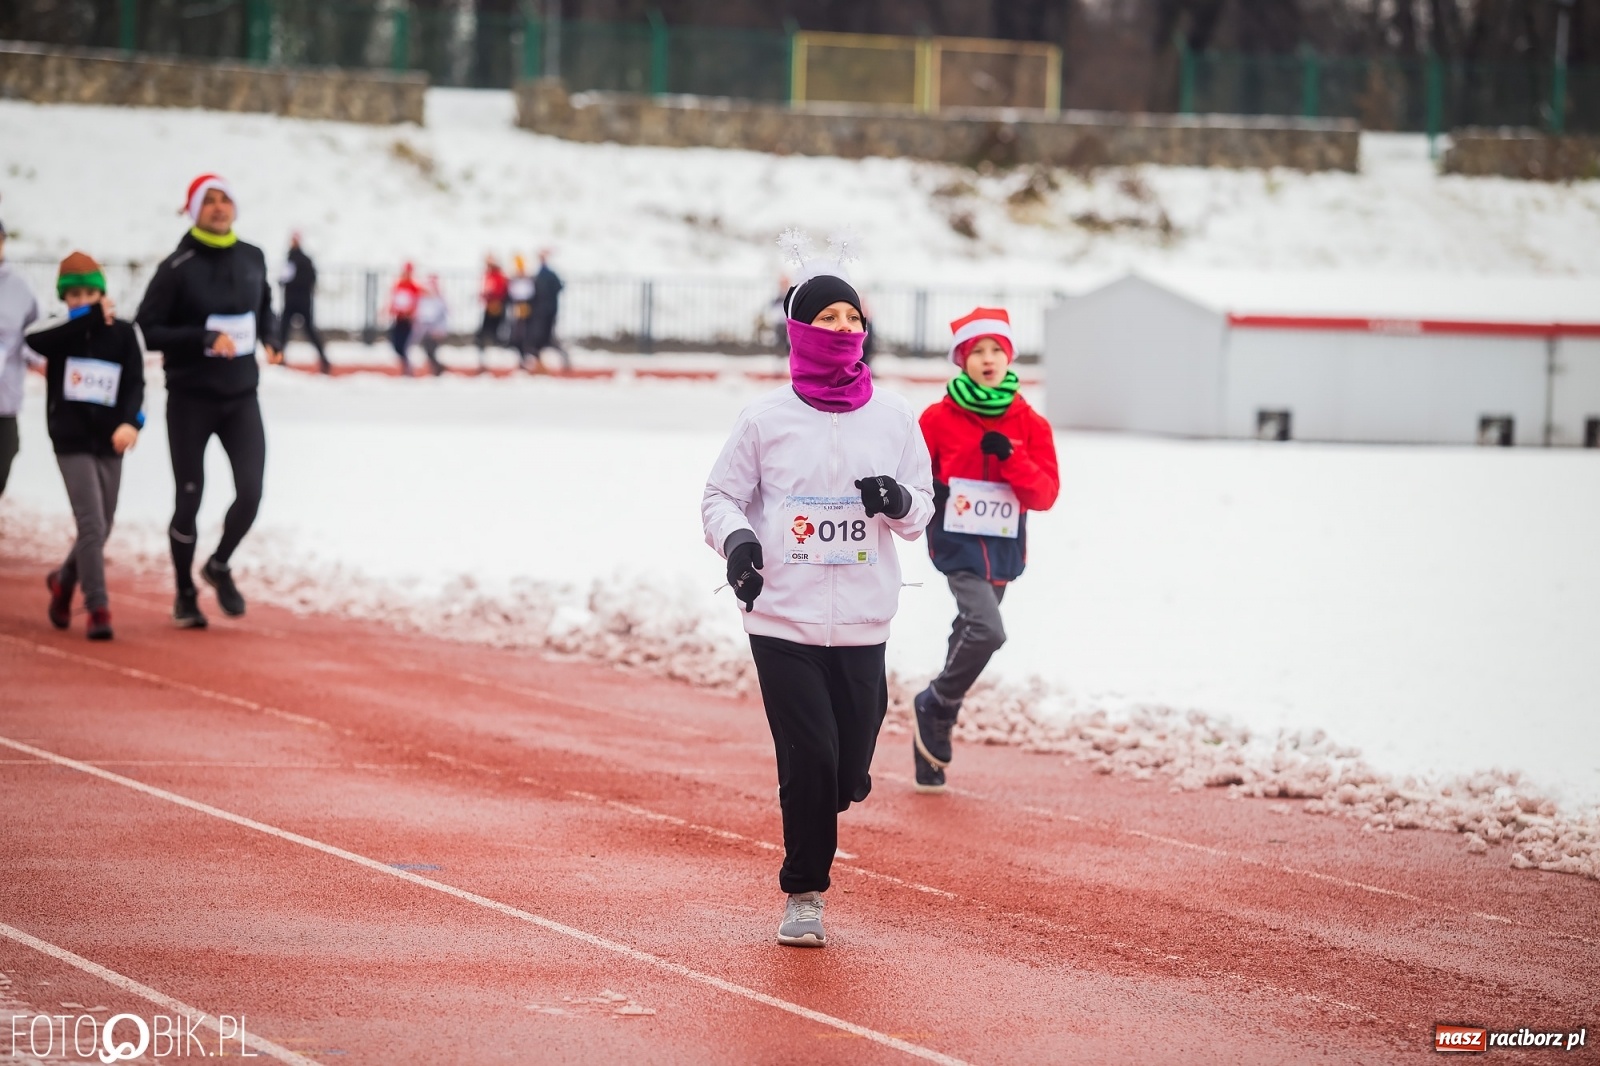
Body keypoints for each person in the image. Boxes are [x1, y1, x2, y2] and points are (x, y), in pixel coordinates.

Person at [702, 240, 933, 948]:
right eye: (825, 316)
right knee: (808, 756)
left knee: (844, 766)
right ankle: (805, 894)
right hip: (783, 618)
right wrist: (740, 545)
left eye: (850, 316)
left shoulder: (894, 417)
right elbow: (720, 498)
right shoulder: (766, 418)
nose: (840, 327)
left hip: (864, 620)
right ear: (800, 329)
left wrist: (897, 498)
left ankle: (830, 795)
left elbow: (922, 510)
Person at [912, 308, 1059, 792]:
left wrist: (1012, 458)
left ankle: (928, 745)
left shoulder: (1029, 422)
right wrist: (931, 495)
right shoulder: (936, 418)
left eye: (997, 349)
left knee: (967, 631)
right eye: (978, 351)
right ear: (962, 359)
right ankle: (938, 702)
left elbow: (1045, 495)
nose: (988, 358)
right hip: (957, 545)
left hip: (1004, 549)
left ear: (1010, 357)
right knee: (987, 631)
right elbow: (914, 476)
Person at [135, 173, 279, 629]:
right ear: (194, 210)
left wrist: (272, 339)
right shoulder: (177, 267)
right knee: (189, 498)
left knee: (251, 493)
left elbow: (266, 307)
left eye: (225, 200)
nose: (219, 208)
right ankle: (184, 591)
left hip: (241, 396)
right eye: (209, 201)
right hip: (191, 399)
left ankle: (218, 564)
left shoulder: (253, 256)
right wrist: (201, 337)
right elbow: (148, 328)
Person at [29, 253, 144, 640]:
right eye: (73, 294)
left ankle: (63, 582)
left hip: (110, 441)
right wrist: (87, 319)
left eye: (89, 293)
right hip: (71, 441)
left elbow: (135, 385)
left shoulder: (124, 334)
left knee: (103, 524)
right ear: (65, 298)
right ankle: (97, 606)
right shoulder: (61, 332)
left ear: (101, 292)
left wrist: (131, 423)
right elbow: (35, 339)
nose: (81, 300)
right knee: (91, 523)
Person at [0, 215, 40, 498]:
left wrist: (39, 361)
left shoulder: (20, 288)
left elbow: (34, 336)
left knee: (5, 455)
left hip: (5, 397)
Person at [277, 232, 330, 374]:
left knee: (309, 331)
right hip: (292, 301)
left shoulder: (303, 260)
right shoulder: (290, 259)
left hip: (301, 301)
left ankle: (324, 359)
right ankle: (279, 358)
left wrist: (292, 282)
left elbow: (310, 279)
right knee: (284, 331)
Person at [523, 250, 570, 372]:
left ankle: (559, 360)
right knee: (539, 339)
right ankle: (539, 364)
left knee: (546, 339)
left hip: (545, 313)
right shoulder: (539, 274)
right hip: (541, 312)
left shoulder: (548, 275)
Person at [387, 262, 423, 377]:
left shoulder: (414, 287)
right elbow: (393, 300)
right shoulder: (398, 285)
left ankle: (408, 369)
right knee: (396, 344)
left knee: (404, 345)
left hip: (408, 320)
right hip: (398, 319)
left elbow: (417, 302)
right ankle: (406, 367)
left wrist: (411, 313)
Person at [475, 255, 508, 373]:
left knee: (493, 334)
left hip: (496, 308)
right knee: (484, 334)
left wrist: (491, 297)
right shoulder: (488, 275)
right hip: (490, 307)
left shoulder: (498, 276)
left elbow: (499, 291)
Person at [415, 275, 449, 377]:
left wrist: (439, 330)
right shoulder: (424, 301)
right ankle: (436, 369)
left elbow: (441, 317)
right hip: (426, 331)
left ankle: (438, 370)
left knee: (431, 350)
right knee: (428, 351)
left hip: (435, 331)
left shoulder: (439, 302)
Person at [506, 255, 535, 368]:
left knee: (524, 332)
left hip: (525, 309)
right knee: (517, 332)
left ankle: (526, 355)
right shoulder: (514, 281)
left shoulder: (528, 281)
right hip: (517, 308)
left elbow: (529, 294)